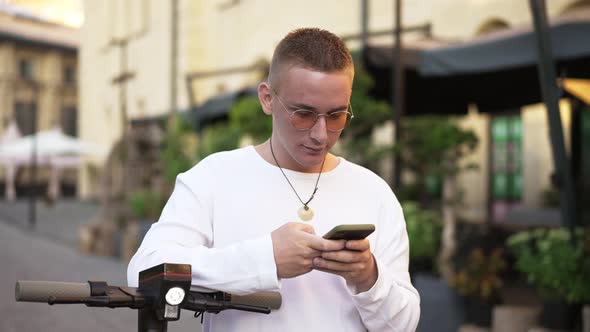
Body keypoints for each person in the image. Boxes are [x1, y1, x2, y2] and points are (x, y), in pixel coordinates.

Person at [128, 27, 420, 331]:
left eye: (336, 115)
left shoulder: (374, 192)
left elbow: (404, 324)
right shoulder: (214, 177)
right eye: (303, 113)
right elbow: (145, 268)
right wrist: (265, 259)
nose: (321, 134)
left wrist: (368, 277)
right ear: (267, 99)